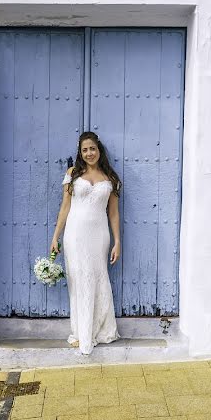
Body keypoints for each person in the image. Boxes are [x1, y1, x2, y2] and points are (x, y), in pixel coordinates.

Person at [50, 132, 121, 354]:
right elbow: (65, 207)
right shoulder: (72, 174)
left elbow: (114, 215)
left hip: (99, 235)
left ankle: (99, 330)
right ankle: (80, 332)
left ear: (99, 150)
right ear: (80, 153)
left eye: (92, 149)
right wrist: (56, 236)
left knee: (97, 278)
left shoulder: (110, 178)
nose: (89, 153)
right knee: (78, 279)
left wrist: (117, 241)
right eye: (84, 150)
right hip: (74, 234)